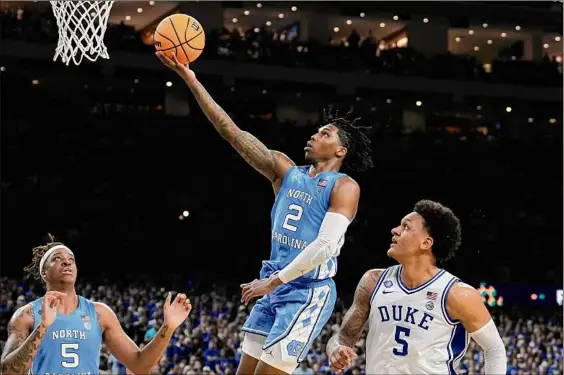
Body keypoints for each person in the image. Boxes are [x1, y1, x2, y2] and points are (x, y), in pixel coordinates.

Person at [156, 52, 373, 375]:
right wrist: (192, 80)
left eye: (325, 133)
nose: (314, 135)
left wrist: (272, 283)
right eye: (316, 131)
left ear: (341, 151)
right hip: (274, 283)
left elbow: (325, 247)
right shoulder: (284, 171)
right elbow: (231, 131)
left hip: (306, 291)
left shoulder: (344, 186)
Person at [326, 200, 507, 374]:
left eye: (405, 227)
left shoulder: (456, 294)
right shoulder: (373, 281)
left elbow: (494, 348)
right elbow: (343, 337)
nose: (395, 230)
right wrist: (336, 349)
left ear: (426, 243)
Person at [1, 235, 192, 375]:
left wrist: (169, 327)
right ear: (44, 272)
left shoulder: (99, 313)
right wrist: (42, 327)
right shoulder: (27, 315)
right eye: (57, 259)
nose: (67, 262)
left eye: (71, 260)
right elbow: (8, 372)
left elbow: (139, 365)